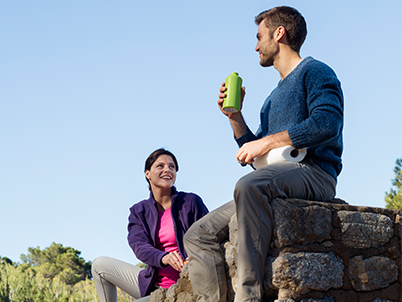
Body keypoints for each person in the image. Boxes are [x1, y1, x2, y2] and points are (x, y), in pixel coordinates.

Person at [184, 6, 343, 302]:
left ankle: (249, 297)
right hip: (277, 177)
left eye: (259, 36)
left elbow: (327, 123)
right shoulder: (271, 99)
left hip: (315, 173)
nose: (255, 45)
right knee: (198, 235)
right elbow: (256, 154)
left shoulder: (315, 71)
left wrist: (266, 142)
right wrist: (234, 116)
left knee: (248, 185)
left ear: (279, 33)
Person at [92, 148, 209, 302]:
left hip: (184, 286)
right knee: (99, 265)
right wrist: (163, 257)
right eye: (160, 166)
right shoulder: (138, 211)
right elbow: (139, 245)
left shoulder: (190, 202)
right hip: (151, 284)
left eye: (172, 167)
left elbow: (208, 236)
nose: (167, 169)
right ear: (147, 173)